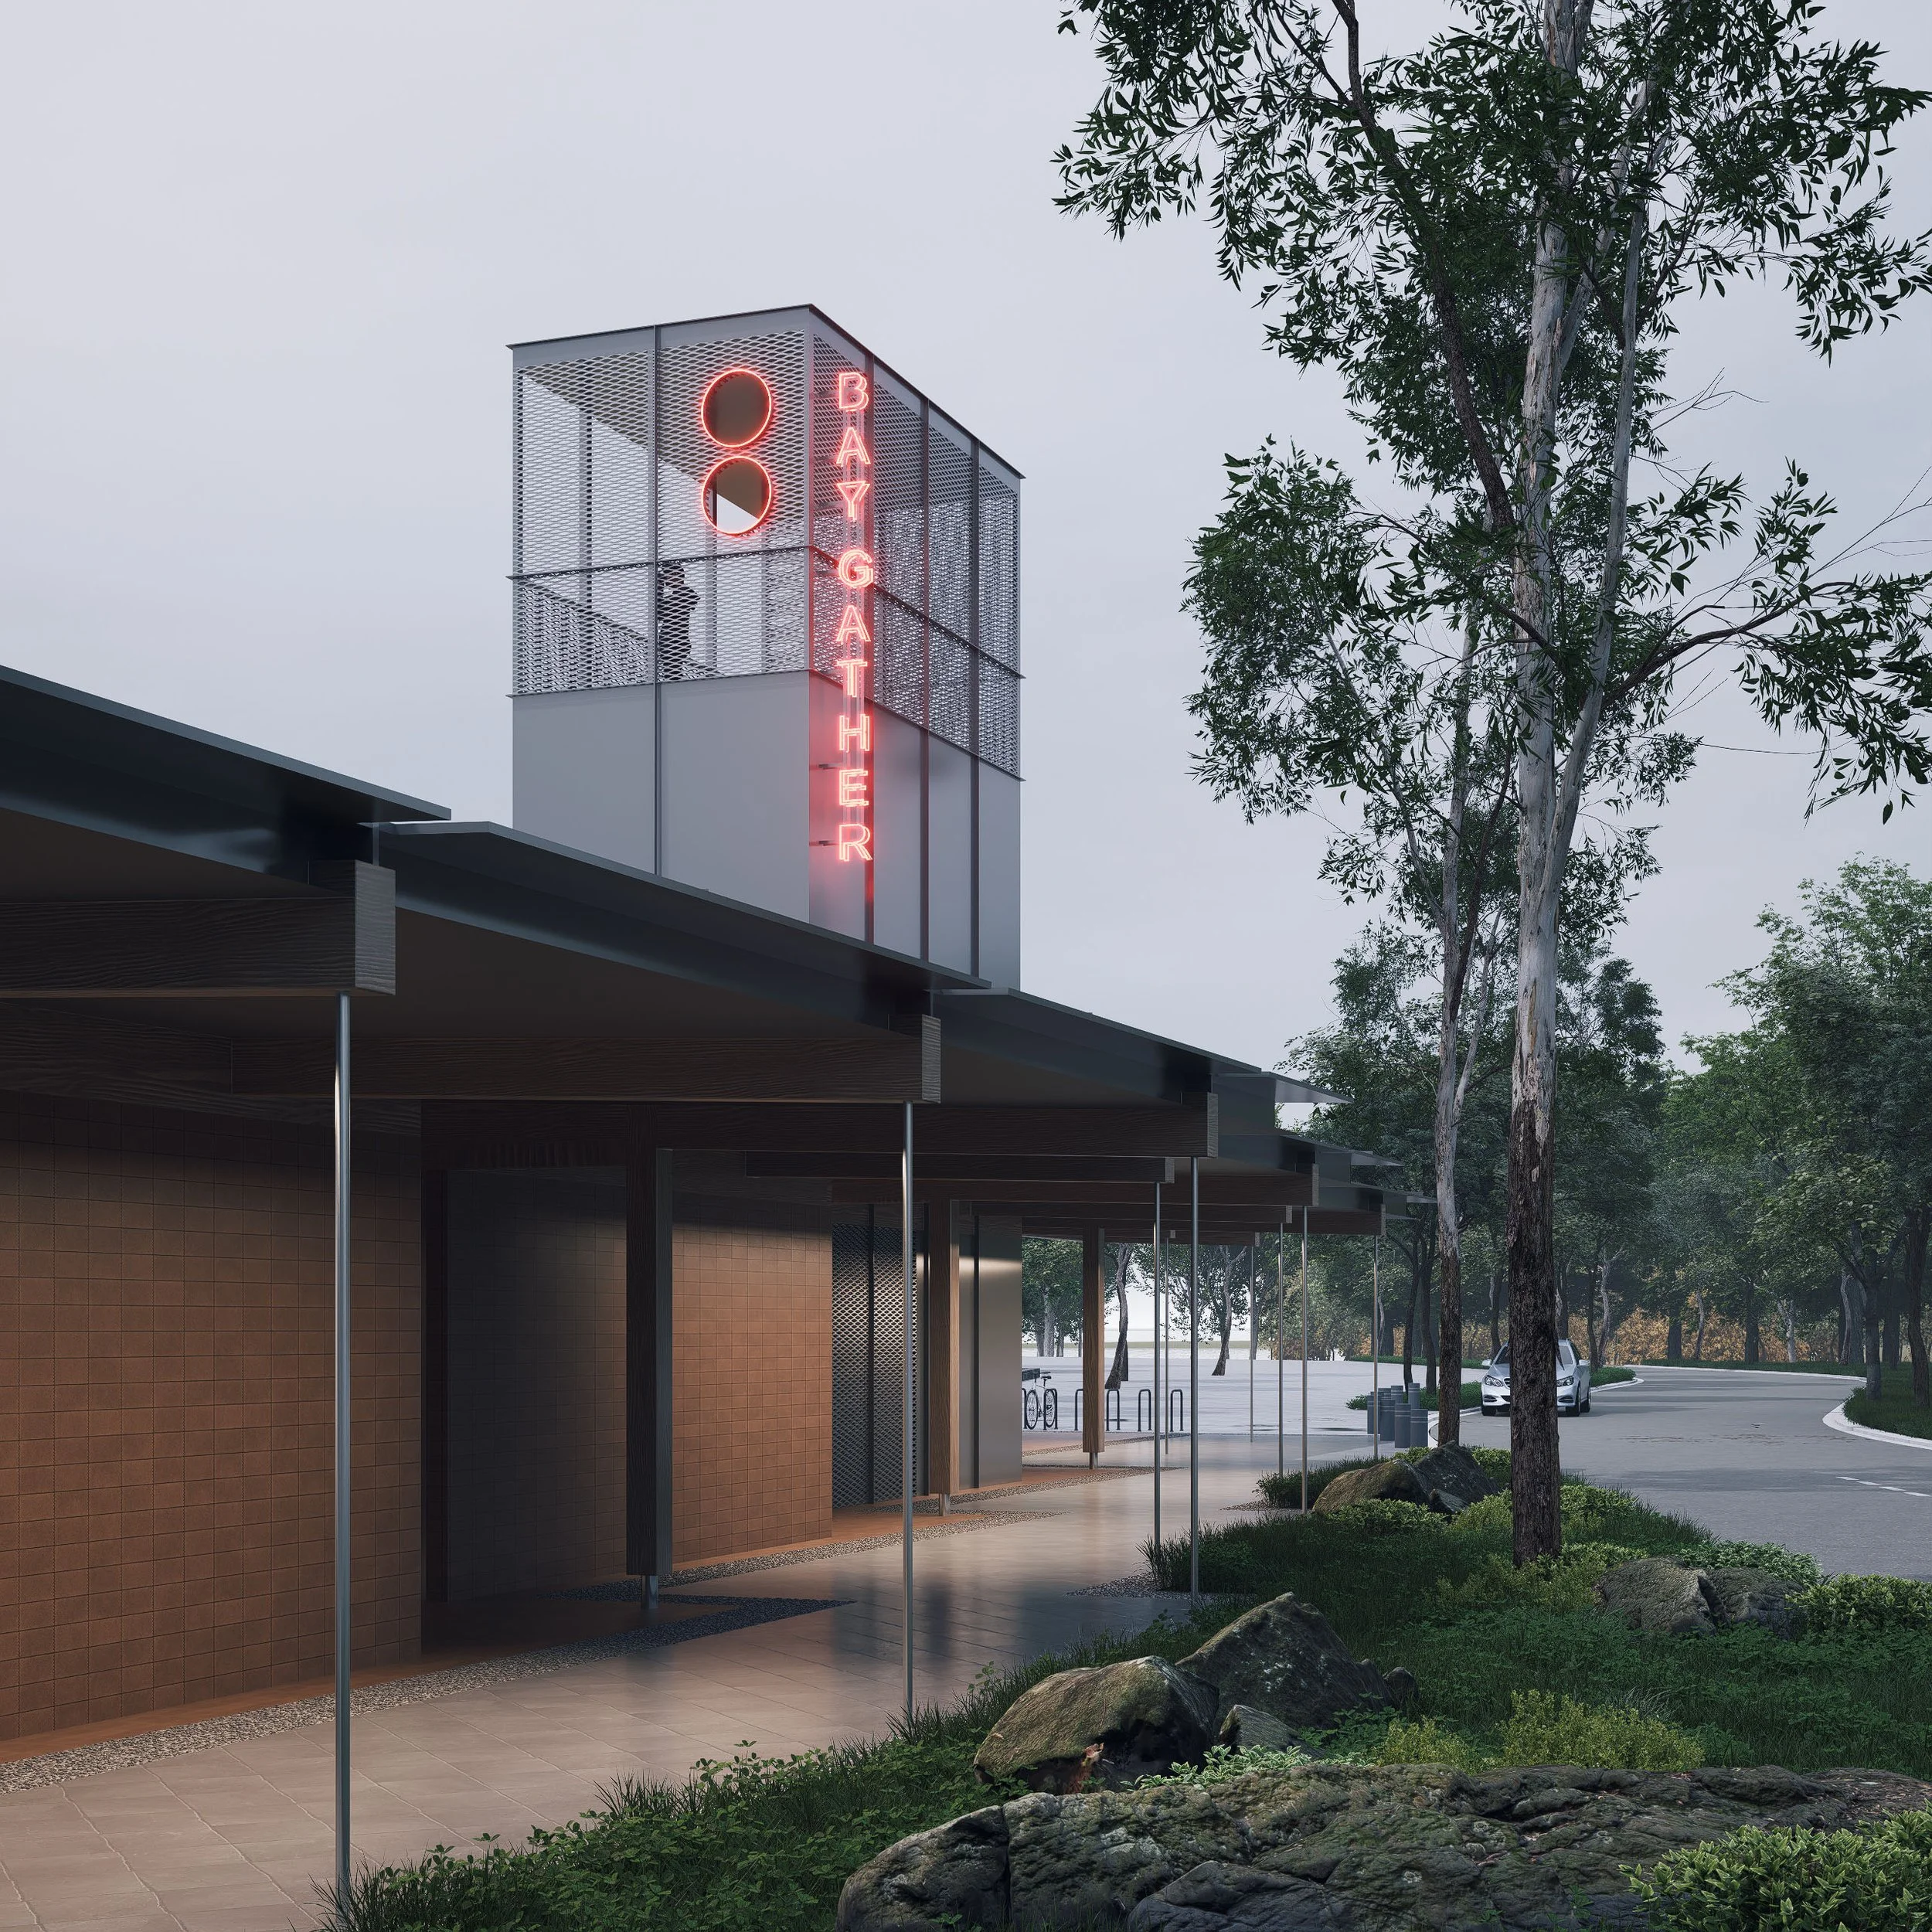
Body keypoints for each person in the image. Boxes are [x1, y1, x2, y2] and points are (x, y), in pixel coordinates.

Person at [656, 563, 699, 680]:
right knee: (671, 675)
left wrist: (660, 588)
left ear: (676, 574)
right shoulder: (679, 595)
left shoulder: (685, 594)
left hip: (675, 643)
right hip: (672, 643)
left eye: (667, 575)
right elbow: (661, 613)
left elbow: (661, 612)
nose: (665, 580)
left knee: (673, 677)